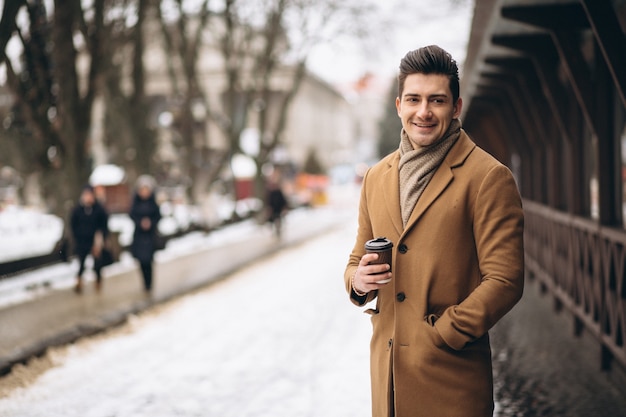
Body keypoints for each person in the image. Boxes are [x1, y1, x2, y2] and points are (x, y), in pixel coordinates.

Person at [344, 45, 524, 417]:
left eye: (436, 100)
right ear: (398, 105)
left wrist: (444, 334)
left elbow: (506, 278)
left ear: (455, 108)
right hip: (388, 383)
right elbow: (355, 259)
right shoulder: (376, 177)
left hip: (452, 382)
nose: (423, 112)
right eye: (413, 99)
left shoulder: (488, 176)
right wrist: (358, 282)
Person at [70, 184, 109, 293]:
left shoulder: (99, 209)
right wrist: (77, 237)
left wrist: (101, 239)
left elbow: (104, 224)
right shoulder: (77, 210)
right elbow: (73, 224)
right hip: (82, 241)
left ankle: (98, 281)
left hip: (95, 241)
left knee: (97, 263)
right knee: (82, 262)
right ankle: (79, 281)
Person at [129, 175, 162, 293]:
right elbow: (132, 215)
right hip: (139, 236)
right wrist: (140, 223)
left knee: (149, 261)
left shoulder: (153, 202)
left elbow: (158, 216)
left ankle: (149, 284)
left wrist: (150, 223)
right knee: (141, 261)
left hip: (150, 236)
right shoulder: (135, 202)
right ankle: (145, 283)